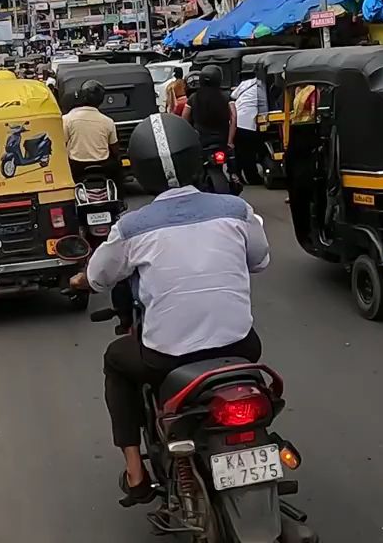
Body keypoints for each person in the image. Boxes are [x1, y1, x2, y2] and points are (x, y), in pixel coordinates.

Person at [70, 113, 270, 504]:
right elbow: (259, 260)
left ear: (142, 171)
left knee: (116, 361)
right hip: (241, 348)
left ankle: (135, 472)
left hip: (167, 356)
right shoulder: (236, 210)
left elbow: (98, 277)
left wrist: (79, 280)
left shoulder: (130, 228)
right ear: (196, 158)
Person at [63, 79, 120, 182]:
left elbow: (63, 144)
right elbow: (114, 148)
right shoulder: (108, 121)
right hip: (103, 164)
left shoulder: (67, 119)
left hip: (76, 166)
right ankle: (118, 196)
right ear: (101, 100)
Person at [229, 71, 265, 190]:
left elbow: (234, 95)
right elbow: (264, 105)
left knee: (239, 152)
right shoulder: (261, 88)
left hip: (237, 121)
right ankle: (252, 178)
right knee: (249, 153)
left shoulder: (246, 83)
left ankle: (238, 176)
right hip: (248, 123)